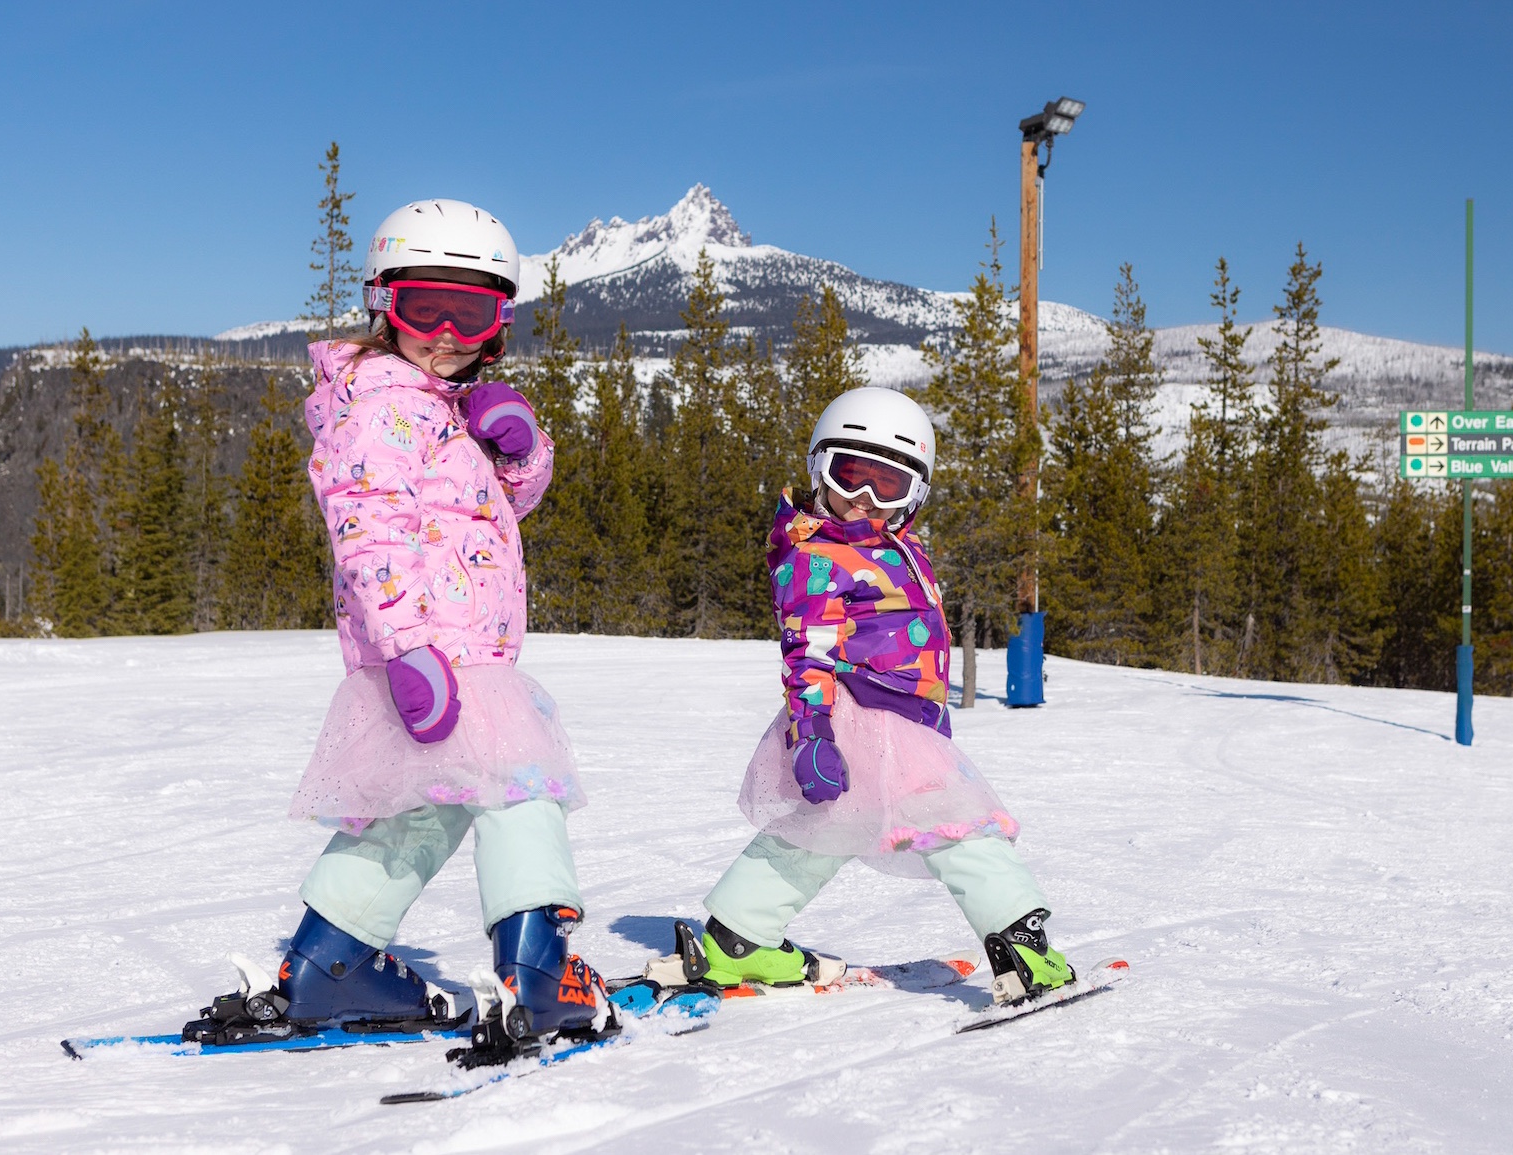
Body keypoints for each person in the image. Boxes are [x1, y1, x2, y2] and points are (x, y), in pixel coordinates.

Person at [186, 200, 606, 1047]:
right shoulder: (380, 403)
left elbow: (496, 513)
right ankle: (538, 973)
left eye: (473, 312)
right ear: (386, 303)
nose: (447, 331)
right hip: (436, 654)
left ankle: (330, 961)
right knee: (521, 788)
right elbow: (367, 530)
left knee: (419, 810)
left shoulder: (442, 402)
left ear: (501, 322)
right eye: (425, 308)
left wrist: (519, 452)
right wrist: (411, 646)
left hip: (446, 654)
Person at [694, 387, 1075, 1006]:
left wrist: (931, 718)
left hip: (898, 721)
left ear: (914, 497)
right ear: (820, 468)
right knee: (962, 826)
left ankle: (739, 935)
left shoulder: (895, 548)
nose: (865, 500)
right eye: (850, 475)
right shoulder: (817, 557)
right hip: (856, 718)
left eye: (888, 487)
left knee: (820, 830)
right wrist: (812, 731)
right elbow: (808, 651)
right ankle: (1020, 946)